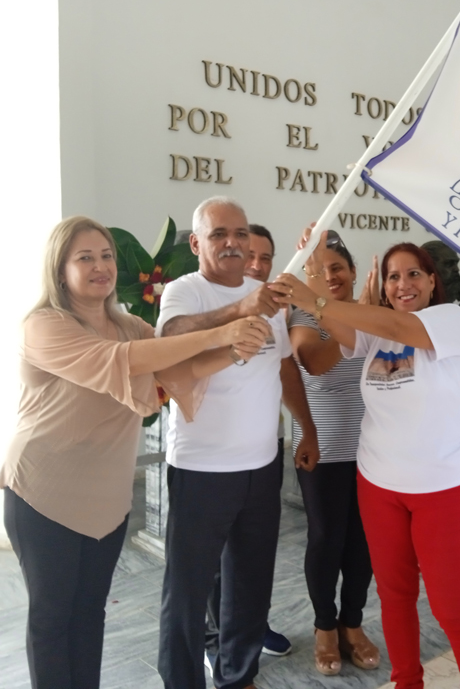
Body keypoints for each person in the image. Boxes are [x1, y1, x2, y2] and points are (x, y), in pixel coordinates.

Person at [1, 216, 270, 689]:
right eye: (85, 257)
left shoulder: (130, 326)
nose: (101, 266)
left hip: (106, 497)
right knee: (52, 617)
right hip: (44, 492)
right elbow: (118, 362)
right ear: (60, 269)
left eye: (107, 255)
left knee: (90, 612)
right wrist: (220, 333)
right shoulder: (43, 326)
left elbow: (177, 367)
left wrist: (234, 351)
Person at [281, 234, 460, 689]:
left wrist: (313, 295)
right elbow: (330, 328)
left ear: (432, 282)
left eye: (413, 273)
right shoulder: (374, 331)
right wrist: (314, 270)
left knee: (452, 606)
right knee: (395, 597)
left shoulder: (447, 320)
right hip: (379, 486)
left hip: (440, 489)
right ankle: (406, 681)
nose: (402, 284)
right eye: (393, 277)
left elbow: (396, 327)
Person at [156, 197, 320, 689]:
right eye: (219, 234)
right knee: (187, 592)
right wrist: (240, 309)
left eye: (240, 233)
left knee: (250, 585)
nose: (232, 242)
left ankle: (239, 675)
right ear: (196, 243)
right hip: (201, 470)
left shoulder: (267, 297)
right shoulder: (184, 291)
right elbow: (171, 337)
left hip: (261, 466)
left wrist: (307, 427)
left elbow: (283, 367)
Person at [287, 230, 379, 676]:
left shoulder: (369, 312)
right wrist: (356, 320)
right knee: (327, 538)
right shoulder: (303, 313)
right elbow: (314, 360)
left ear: (353, 271)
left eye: (337, 267)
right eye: (318, 270)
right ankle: (325, 627)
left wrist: (365, 314)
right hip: (321, 448)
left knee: (364, 541)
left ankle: (352, 624)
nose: (329, 276)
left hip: (372, 449)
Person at [203, 223, 292, 669]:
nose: (257, 265)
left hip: (265, 448)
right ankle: (215, 638)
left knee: (252, 552)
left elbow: (285, 369)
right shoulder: (210, 302)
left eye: (266, 257)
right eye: (251, 254)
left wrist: (306, 429)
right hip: (213, 459)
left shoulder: (276, 310)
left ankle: (250, 627)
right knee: (217, 555)